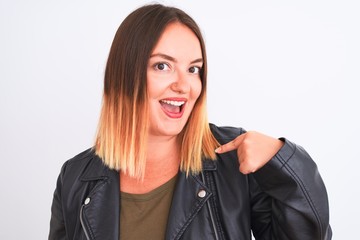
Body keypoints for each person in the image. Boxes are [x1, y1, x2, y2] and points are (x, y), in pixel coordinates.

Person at [48, 3, 332, 240]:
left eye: (194, 69)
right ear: (124, 75)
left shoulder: (233, 163)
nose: (184, 86)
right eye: (163, 66)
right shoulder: (75, 177)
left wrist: (282, 163)